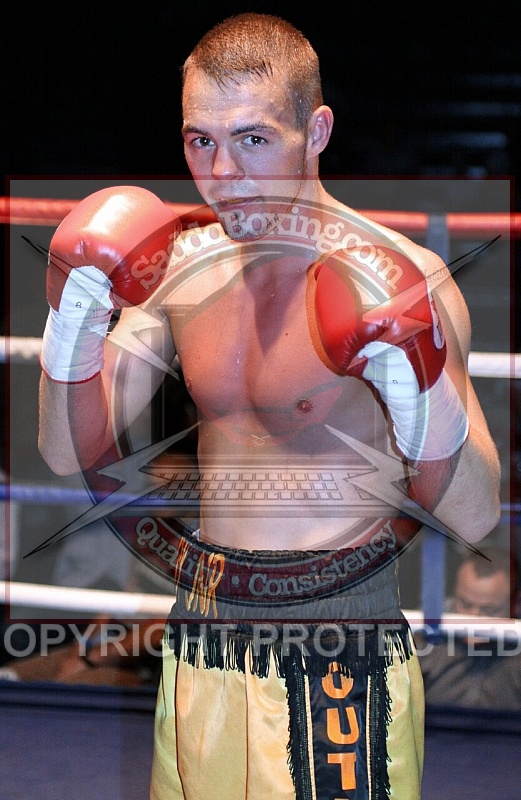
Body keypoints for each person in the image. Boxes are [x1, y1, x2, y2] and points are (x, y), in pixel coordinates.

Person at [37, 13, 501, 800]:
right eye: (200, 141)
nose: (223, 173)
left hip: (336, 644)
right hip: (200, 632)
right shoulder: (177, 266)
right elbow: (64, 450)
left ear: (315, 131)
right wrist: (72, 327)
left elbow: (477, 514)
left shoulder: (400, 278)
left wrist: (420, 394)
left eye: (253, 139)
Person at [414, 547, 521, 710]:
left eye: (489, 610)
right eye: (465, 604)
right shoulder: (422, 641)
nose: (473, 618)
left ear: (516, 604)